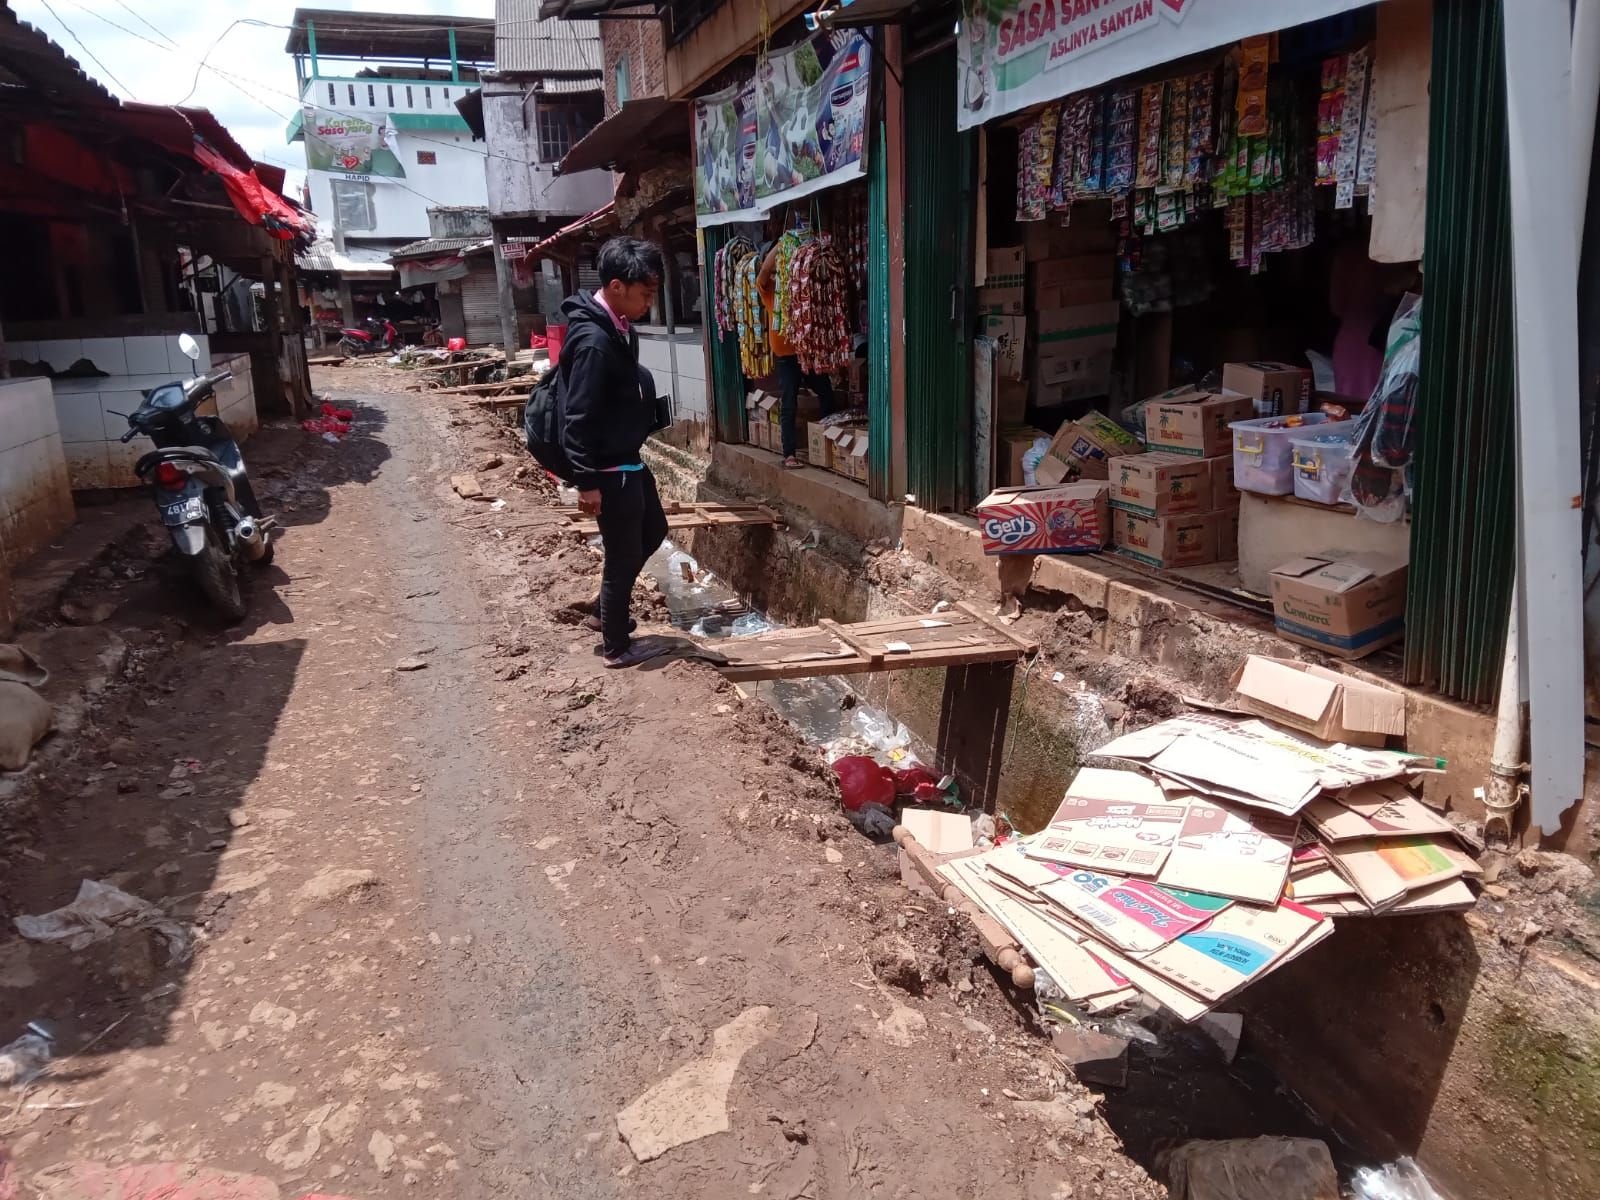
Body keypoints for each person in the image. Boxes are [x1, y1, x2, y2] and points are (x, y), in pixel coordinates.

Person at [559, 237, 669, 668]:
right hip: (608, 468)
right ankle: (617, 645)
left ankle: (607, 609)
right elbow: (578, 415)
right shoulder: (592, 340)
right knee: (622, 554)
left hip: (629, 460)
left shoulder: (619, 330)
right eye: (645, 294)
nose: (648, 304)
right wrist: (586, 481)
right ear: (618, 286)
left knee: (654, 530)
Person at [756, 239, 836, 468]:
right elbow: (763, 271)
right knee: (789, 402)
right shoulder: (767, 288)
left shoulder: (797, 283)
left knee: (826, 393)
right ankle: (789, 453)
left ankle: (824, 443)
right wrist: (782, 245)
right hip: (786, 356)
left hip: (806, 353)